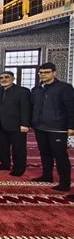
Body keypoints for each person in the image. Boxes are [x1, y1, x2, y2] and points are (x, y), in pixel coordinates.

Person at [30, 62, 74, 191]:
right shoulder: (36, 89)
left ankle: (64, 183)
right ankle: (47, 176)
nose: (43, 75)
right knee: (44, 153)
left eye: (47, 72)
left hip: (57, 127)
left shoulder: (65, 88)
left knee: (60, 155)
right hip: (40, 126)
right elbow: (33, 107)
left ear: (54, 73)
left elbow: (71, 108)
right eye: (41, 72)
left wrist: (71, 126)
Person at [0, 71, 31, 176]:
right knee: (3, 147)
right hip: (0, 124)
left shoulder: (22, 91)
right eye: (1, 78)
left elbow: (26, 109)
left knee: (18, 148)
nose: (4, 79)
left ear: (13, 79)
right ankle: (5, 164)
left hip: (17, 125)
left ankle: (19, 169)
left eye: (7, 77)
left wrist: (25, 124)